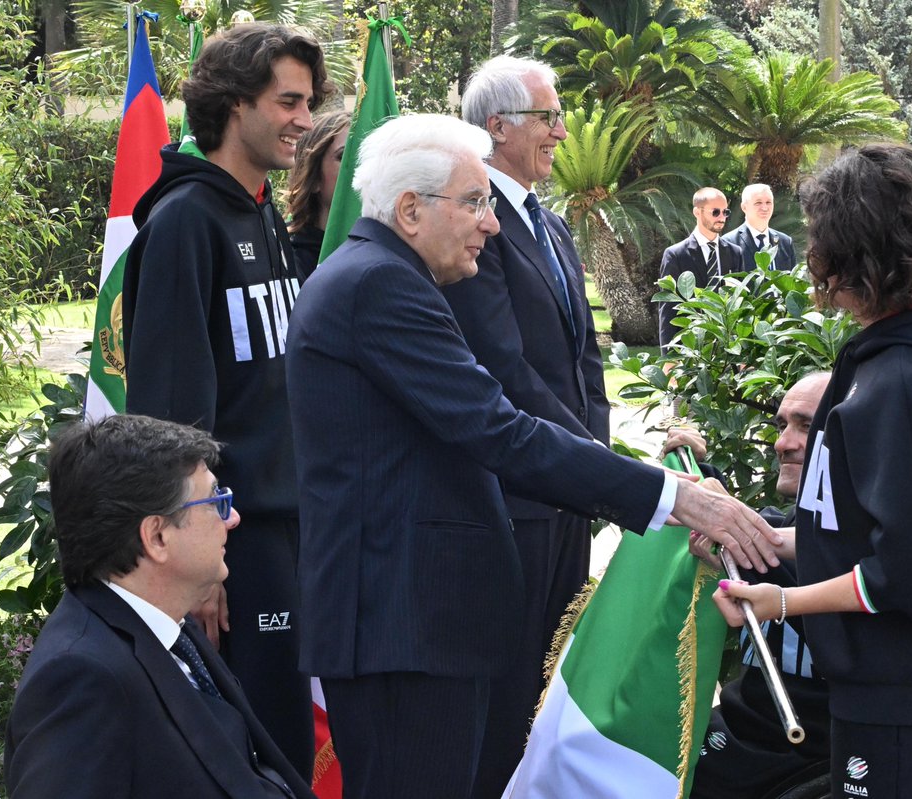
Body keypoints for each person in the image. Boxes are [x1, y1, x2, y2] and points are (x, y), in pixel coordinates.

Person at [285, 113, 781, 799]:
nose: (491, 223)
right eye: (474, 201)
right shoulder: (379, 285)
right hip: (403, 629)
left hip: (414, 624)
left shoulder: (385, 275)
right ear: (409, 209)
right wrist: (673, 498)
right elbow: (500, 429)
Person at [714, 143, 912, 799]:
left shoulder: (906, 383)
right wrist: (765, 538)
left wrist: (783, 601)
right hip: (904, 688)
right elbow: (879, 538)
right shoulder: (908, 365)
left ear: (848, 253)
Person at [121, 23, 329, 779]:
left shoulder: (262, 210)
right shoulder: (184, 222)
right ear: (233, 104)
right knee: (258, 753)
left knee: (288, 748)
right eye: (289, 101)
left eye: (309, 103)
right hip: (234, 546)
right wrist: (201, 565)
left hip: (285, 532)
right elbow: (170, 416)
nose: (305, 120)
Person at [444, 54, 616, 796]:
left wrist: (597, 469)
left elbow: (583, 361)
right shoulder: (474, 226)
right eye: (549, 117)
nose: (562, 130)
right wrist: (585, 467)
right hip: (517, 500)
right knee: (512, 697)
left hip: (567, 496)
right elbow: (507, 371)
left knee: (551, 693)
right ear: (498, 126)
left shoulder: (549, 223)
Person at [4, 414, 314, 799]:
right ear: (157, 537)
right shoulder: (80, 678)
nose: (232, 518)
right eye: (216, 501)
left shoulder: (169, 624)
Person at [669, 372, 834, 799]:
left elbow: (794, 554)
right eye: (782, 426)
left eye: (808, 426)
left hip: (819, 764)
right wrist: (695, 476)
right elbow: (761, 533)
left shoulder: (880, 555)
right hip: (738, 743)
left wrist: (721, 515)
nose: (784, 443)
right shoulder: (783, 529)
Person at [658, 187, 744, 349]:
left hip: (728, 349)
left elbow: (740, 302)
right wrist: (669, 357)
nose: (721, 217)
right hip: (691, 347)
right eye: (715, 212)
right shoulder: (676, 255)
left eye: (725, 212)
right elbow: (667, 309)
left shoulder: (734, 253)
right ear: (697, 212)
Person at [284, 109, 350, 281]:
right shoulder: (284, 255)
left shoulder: (387, 250)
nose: (359, 166)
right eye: (344, 156)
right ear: (313, 179)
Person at [722, 183, 796, 271]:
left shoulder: (785, 242)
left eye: (768, 202)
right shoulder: (728, 243)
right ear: (744, 207)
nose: (764, 208)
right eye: (758, 203)